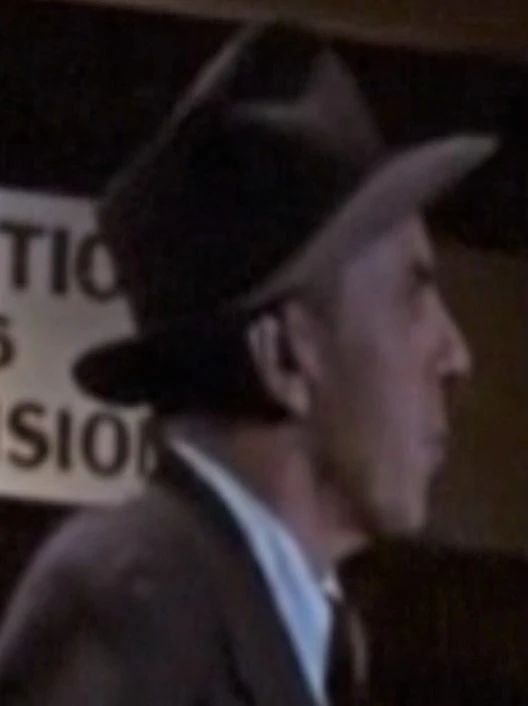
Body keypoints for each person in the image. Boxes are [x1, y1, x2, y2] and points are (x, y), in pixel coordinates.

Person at [0, 23, 496, 706]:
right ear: (285, 355)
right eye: (413, 295)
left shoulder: (287, 629)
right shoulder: (130, 611)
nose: (456, 354)